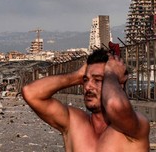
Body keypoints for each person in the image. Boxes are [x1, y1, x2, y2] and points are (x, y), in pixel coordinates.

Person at [22, 48, 150, 152]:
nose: (88, 87)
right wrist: (77, 76)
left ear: (118, 84)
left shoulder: (133, 127)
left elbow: (114, 105)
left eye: (98, 80)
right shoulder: (74, 122)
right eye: (85, 80)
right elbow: (30, 93)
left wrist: (111, 73)